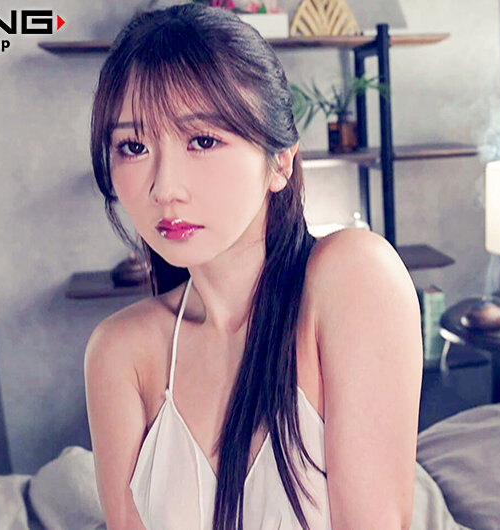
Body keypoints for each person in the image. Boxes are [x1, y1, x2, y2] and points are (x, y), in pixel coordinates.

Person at [84, 4, 423, 529]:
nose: (164, 187)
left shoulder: (353, 277)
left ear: (280, 162)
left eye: (202, 141)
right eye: (134, 146)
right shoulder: (120, 351)